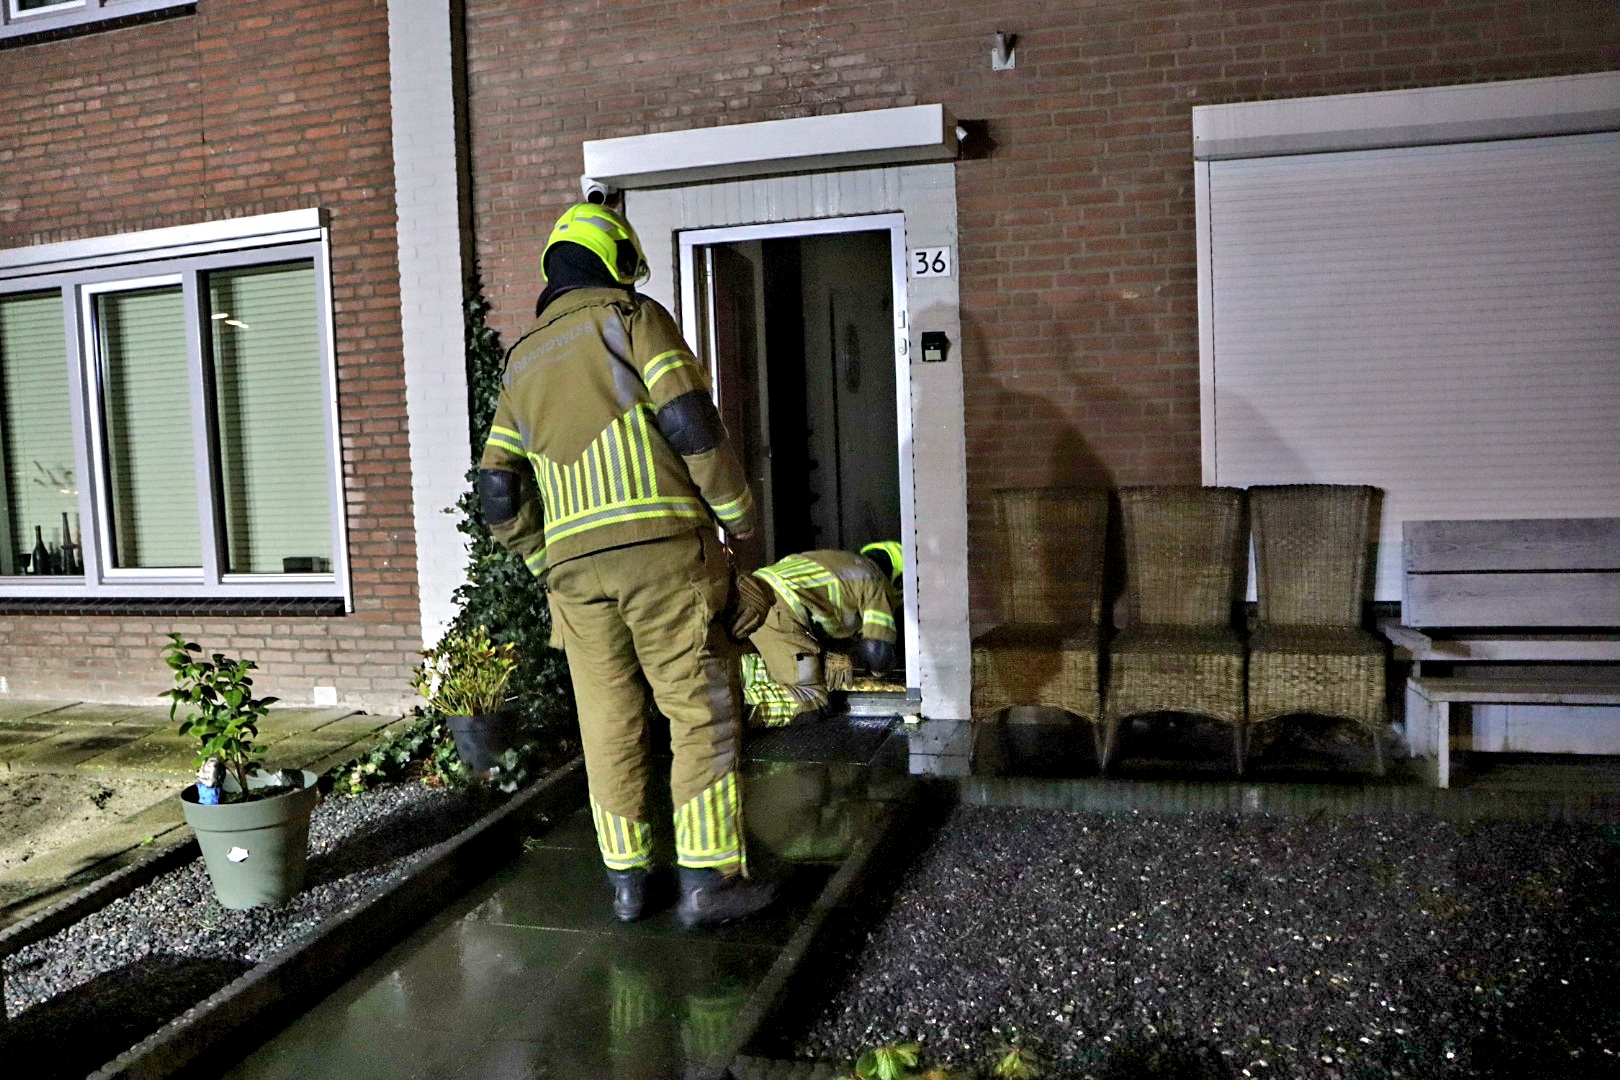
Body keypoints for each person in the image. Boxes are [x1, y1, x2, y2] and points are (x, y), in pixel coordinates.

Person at [477, 201, 775, 929]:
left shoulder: (520, 362)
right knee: (698, 712)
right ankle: (710, 883)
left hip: (576, 580)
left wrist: (546, 558)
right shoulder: (632, 316)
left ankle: (629, 885)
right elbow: (690, 422)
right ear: (612, 257)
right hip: (666, 557)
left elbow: (497, 490)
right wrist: (739, 517)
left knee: (607, 723)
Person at [742, 542, 902, 728]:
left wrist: (835, 655)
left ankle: (722, 688)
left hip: (754, 597)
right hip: (779, 608)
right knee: (812, 698)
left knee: (769, 668)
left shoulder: (842, 564)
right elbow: (878, 653)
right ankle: (736, 708)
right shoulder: (875, 579)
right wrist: (881, 670)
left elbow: (820, 615)